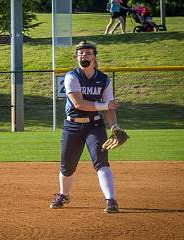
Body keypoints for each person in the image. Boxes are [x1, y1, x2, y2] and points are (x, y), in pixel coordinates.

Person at [49, 40, 121, 213]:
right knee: (67, 166)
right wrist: (105, 105)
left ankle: (111, 200)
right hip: (72, 126)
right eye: (81, 53)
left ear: (95, 57)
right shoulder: (72, 76)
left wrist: (114, 127)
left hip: (95, 125)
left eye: (88, 53)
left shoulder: (103, 79)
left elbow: (109, 108)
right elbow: (78, 104)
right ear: (76, 57)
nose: (84, 56)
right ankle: (63, 195)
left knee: (101, 161)